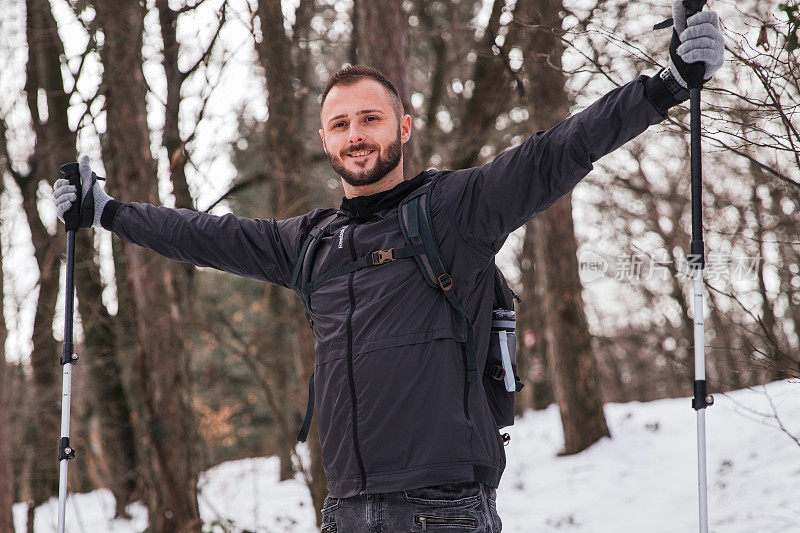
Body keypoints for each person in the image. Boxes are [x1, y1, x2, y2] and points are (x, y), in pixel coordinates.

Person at [53, 2, 724, 531]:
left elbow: (560, 150)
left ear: (403, 126)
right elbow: (204, 235)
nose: (355, 134)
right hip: (343, 510)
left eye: (370, 118)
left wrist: (665, 84)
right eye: (340, 124)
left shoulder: (457, 208)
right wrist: (106, 211)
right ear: (324, 141)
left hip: (445, 512)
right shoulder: (310, 242)